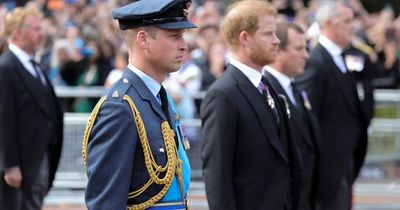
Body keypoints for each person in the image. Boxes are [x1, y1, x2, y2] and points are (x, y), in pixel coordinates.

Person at [81, 0, 196, 209]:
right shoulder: (120, 107)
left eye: (183, 36)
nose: (183, 45)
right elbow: (106, 203)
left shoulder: (160, 97)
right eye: (174, 36)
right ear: (143, 39)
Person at [200, 1, 303, 210]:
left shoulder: (267, 87)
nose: (276, 41)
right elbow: (217, 177)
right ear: (244, 38)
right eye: (268, 34)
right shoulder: (223, 95)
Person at [295, 2, 370, 210]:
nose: (352, 26)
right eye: (346, 21)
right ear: (327, 23)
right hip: (326, 169)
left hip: (343, 162)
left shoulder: (341, 57)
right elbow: (306, 119)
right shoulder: (316, 61)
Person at [0, 7, 63, 210]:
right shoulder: (7, 67)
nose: (41, 34)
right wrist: (10, 165)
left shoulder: (33, 66)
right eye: (36, 29)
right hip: (21, 165)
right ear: (17, 32)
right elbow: (4, 119)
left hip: (37, 160)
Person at [263, 22, 321, 210]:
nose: (306, 55)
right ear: (278, 51)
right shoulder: (265, 91)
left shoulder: (294, 88)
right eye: (299, 48)